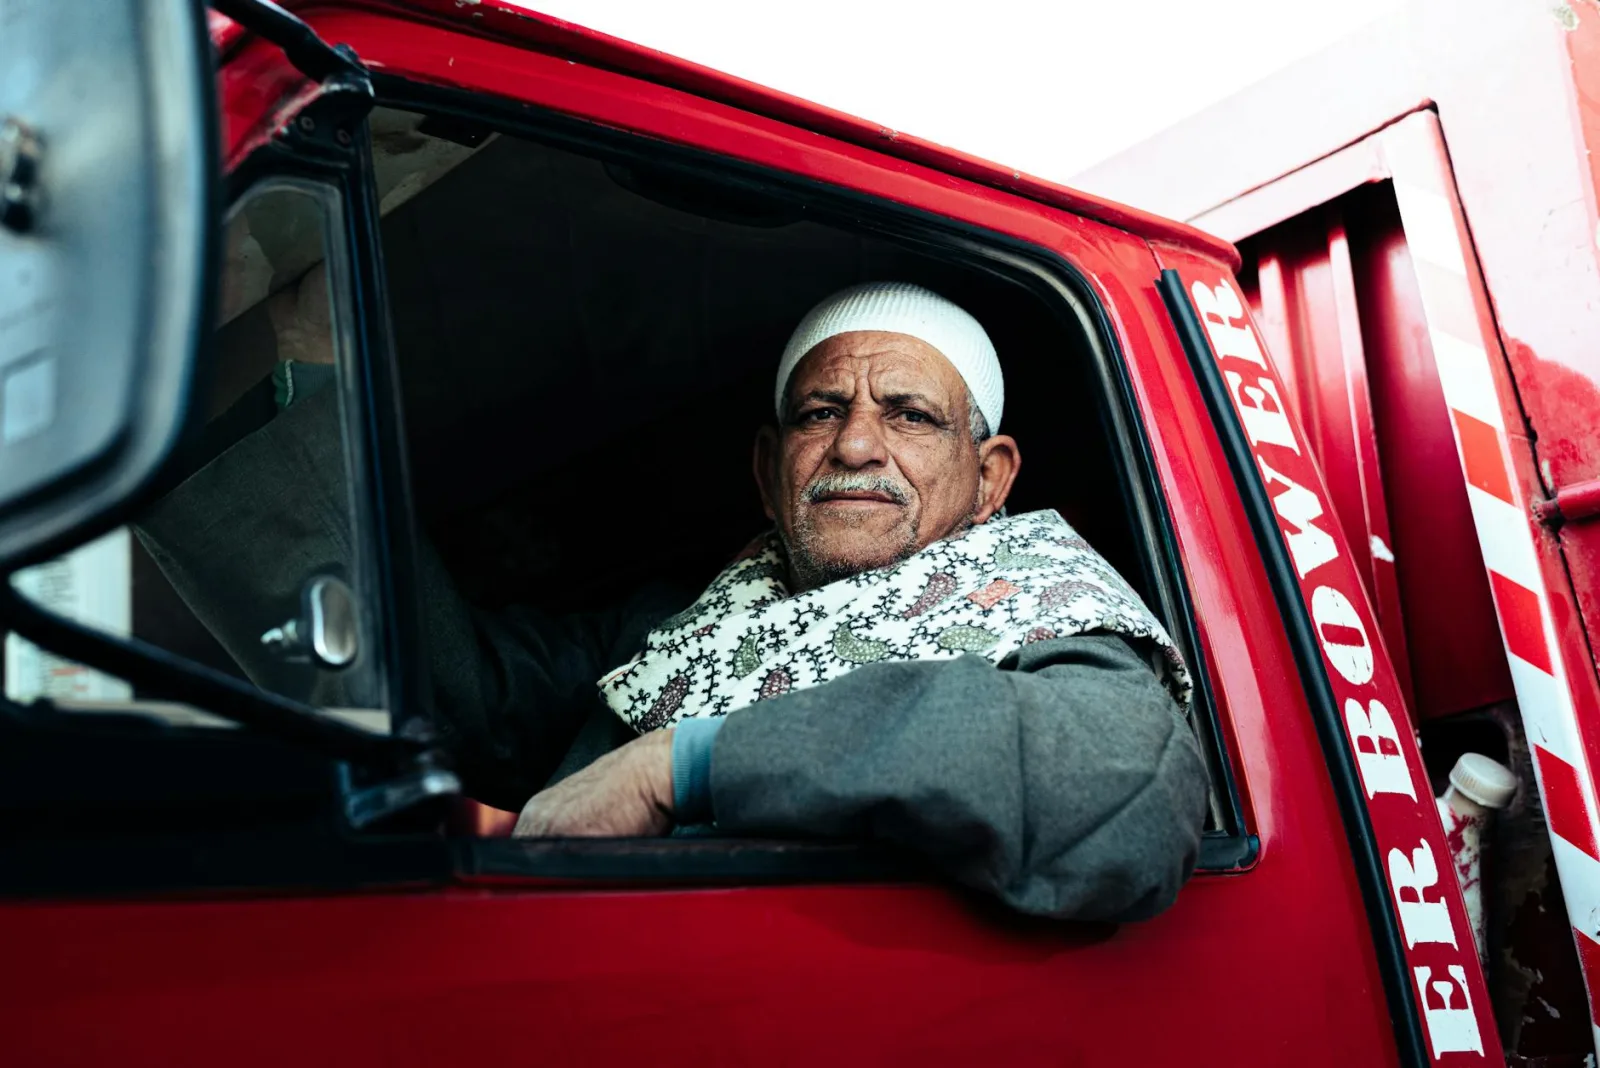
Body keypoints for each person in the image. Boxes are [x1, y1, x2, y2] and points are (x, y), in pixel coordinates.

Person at [137, 280, 1209, 921]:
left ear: (991, 477)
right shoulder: (679, 625)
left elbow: (1117, 786)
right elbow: (456, 702)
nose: (855, 443)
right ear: (768, 468)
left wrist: (682, 765)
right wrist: (299, 368)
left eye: (910, 416)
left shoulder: (1045, 607)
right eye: (819, 412)